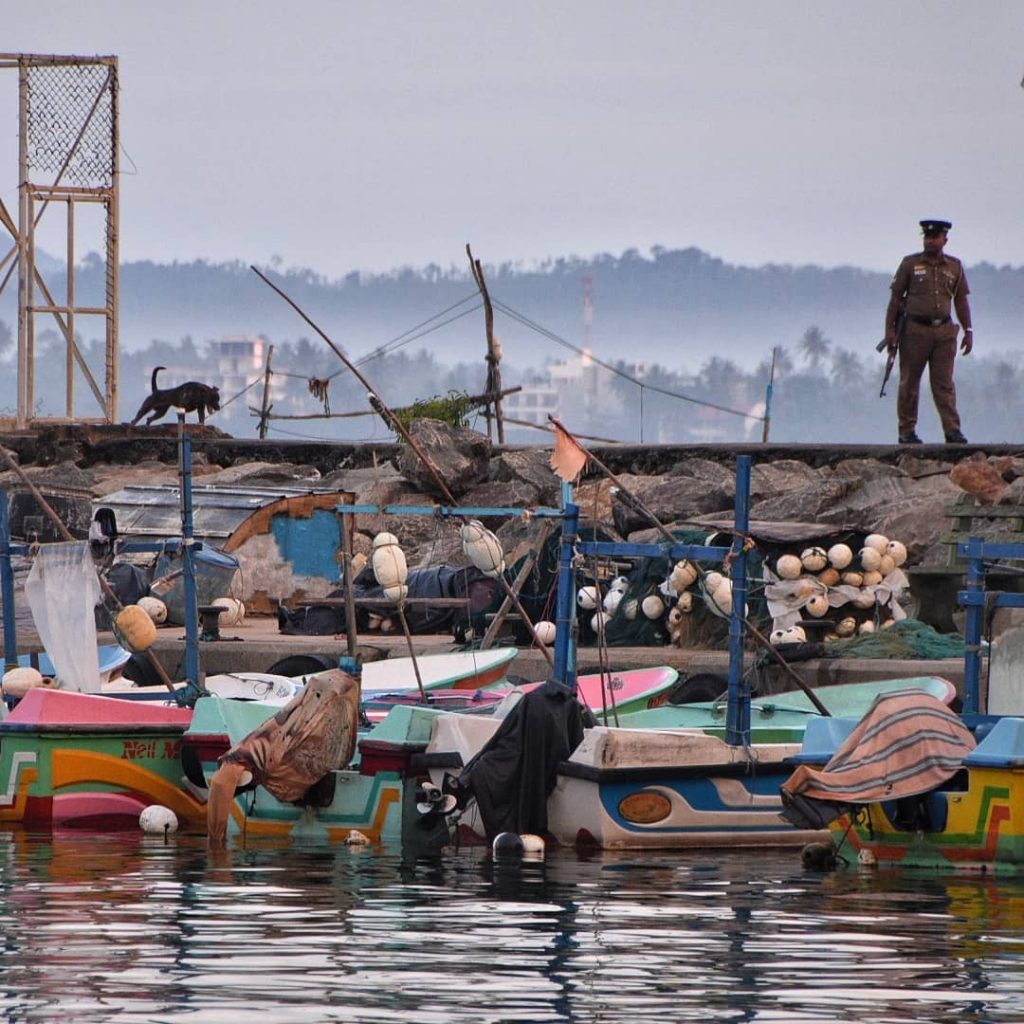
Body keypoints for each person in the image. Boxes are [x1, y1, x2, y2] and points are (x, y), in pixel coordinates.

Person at [884, 219, 972, 444]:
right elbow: (895, 299)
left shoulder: (954, 267)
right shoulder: (910, 264)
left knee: (944, 384)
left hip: (944, 331)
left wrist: (968, 330)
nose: (930, 241)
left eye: (935, 237)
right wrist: (890, 331)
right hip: (915, 331)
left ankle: (952, 430)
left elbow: (961, 300)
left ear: (945, 240)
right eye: (927, 237)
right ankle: (907, 431)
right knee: (909, 383)